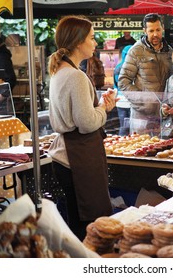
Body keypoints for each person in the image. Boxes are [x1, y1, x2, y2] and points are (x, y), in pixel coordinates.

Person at [47, 15, 117, 241]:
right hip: (76, 157)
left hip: (68, 156)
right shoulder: (75, 75)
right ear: (78, 42)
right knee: (87, 227)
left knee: (78, 222)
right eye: (92, 38)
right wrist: (104, 109)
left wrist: (97, 106)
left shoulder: (60, 72)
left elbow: (81, 115)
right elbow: (86, 123)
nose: (95, 43)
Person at [118, 13, 173, 134]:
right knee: (141, 150)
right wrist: (143, 102)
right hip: (142, 117)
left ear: (163, 28)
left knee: (163, 150)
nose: (155, 34)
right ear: (144, 31)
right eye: (151, 30)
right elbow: (123, 82)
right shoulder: (136, 51)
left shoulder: (169, 51)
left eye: (158, 30)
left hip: (164, 116)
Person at [114, 45, 133, 136]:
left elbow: (116, 84)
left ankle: (122, 143)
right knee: (131, 126)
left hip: (120, 100)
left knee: (123, 126)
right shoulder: (131, 67)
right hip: (129, 100)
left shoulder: (118, 67)